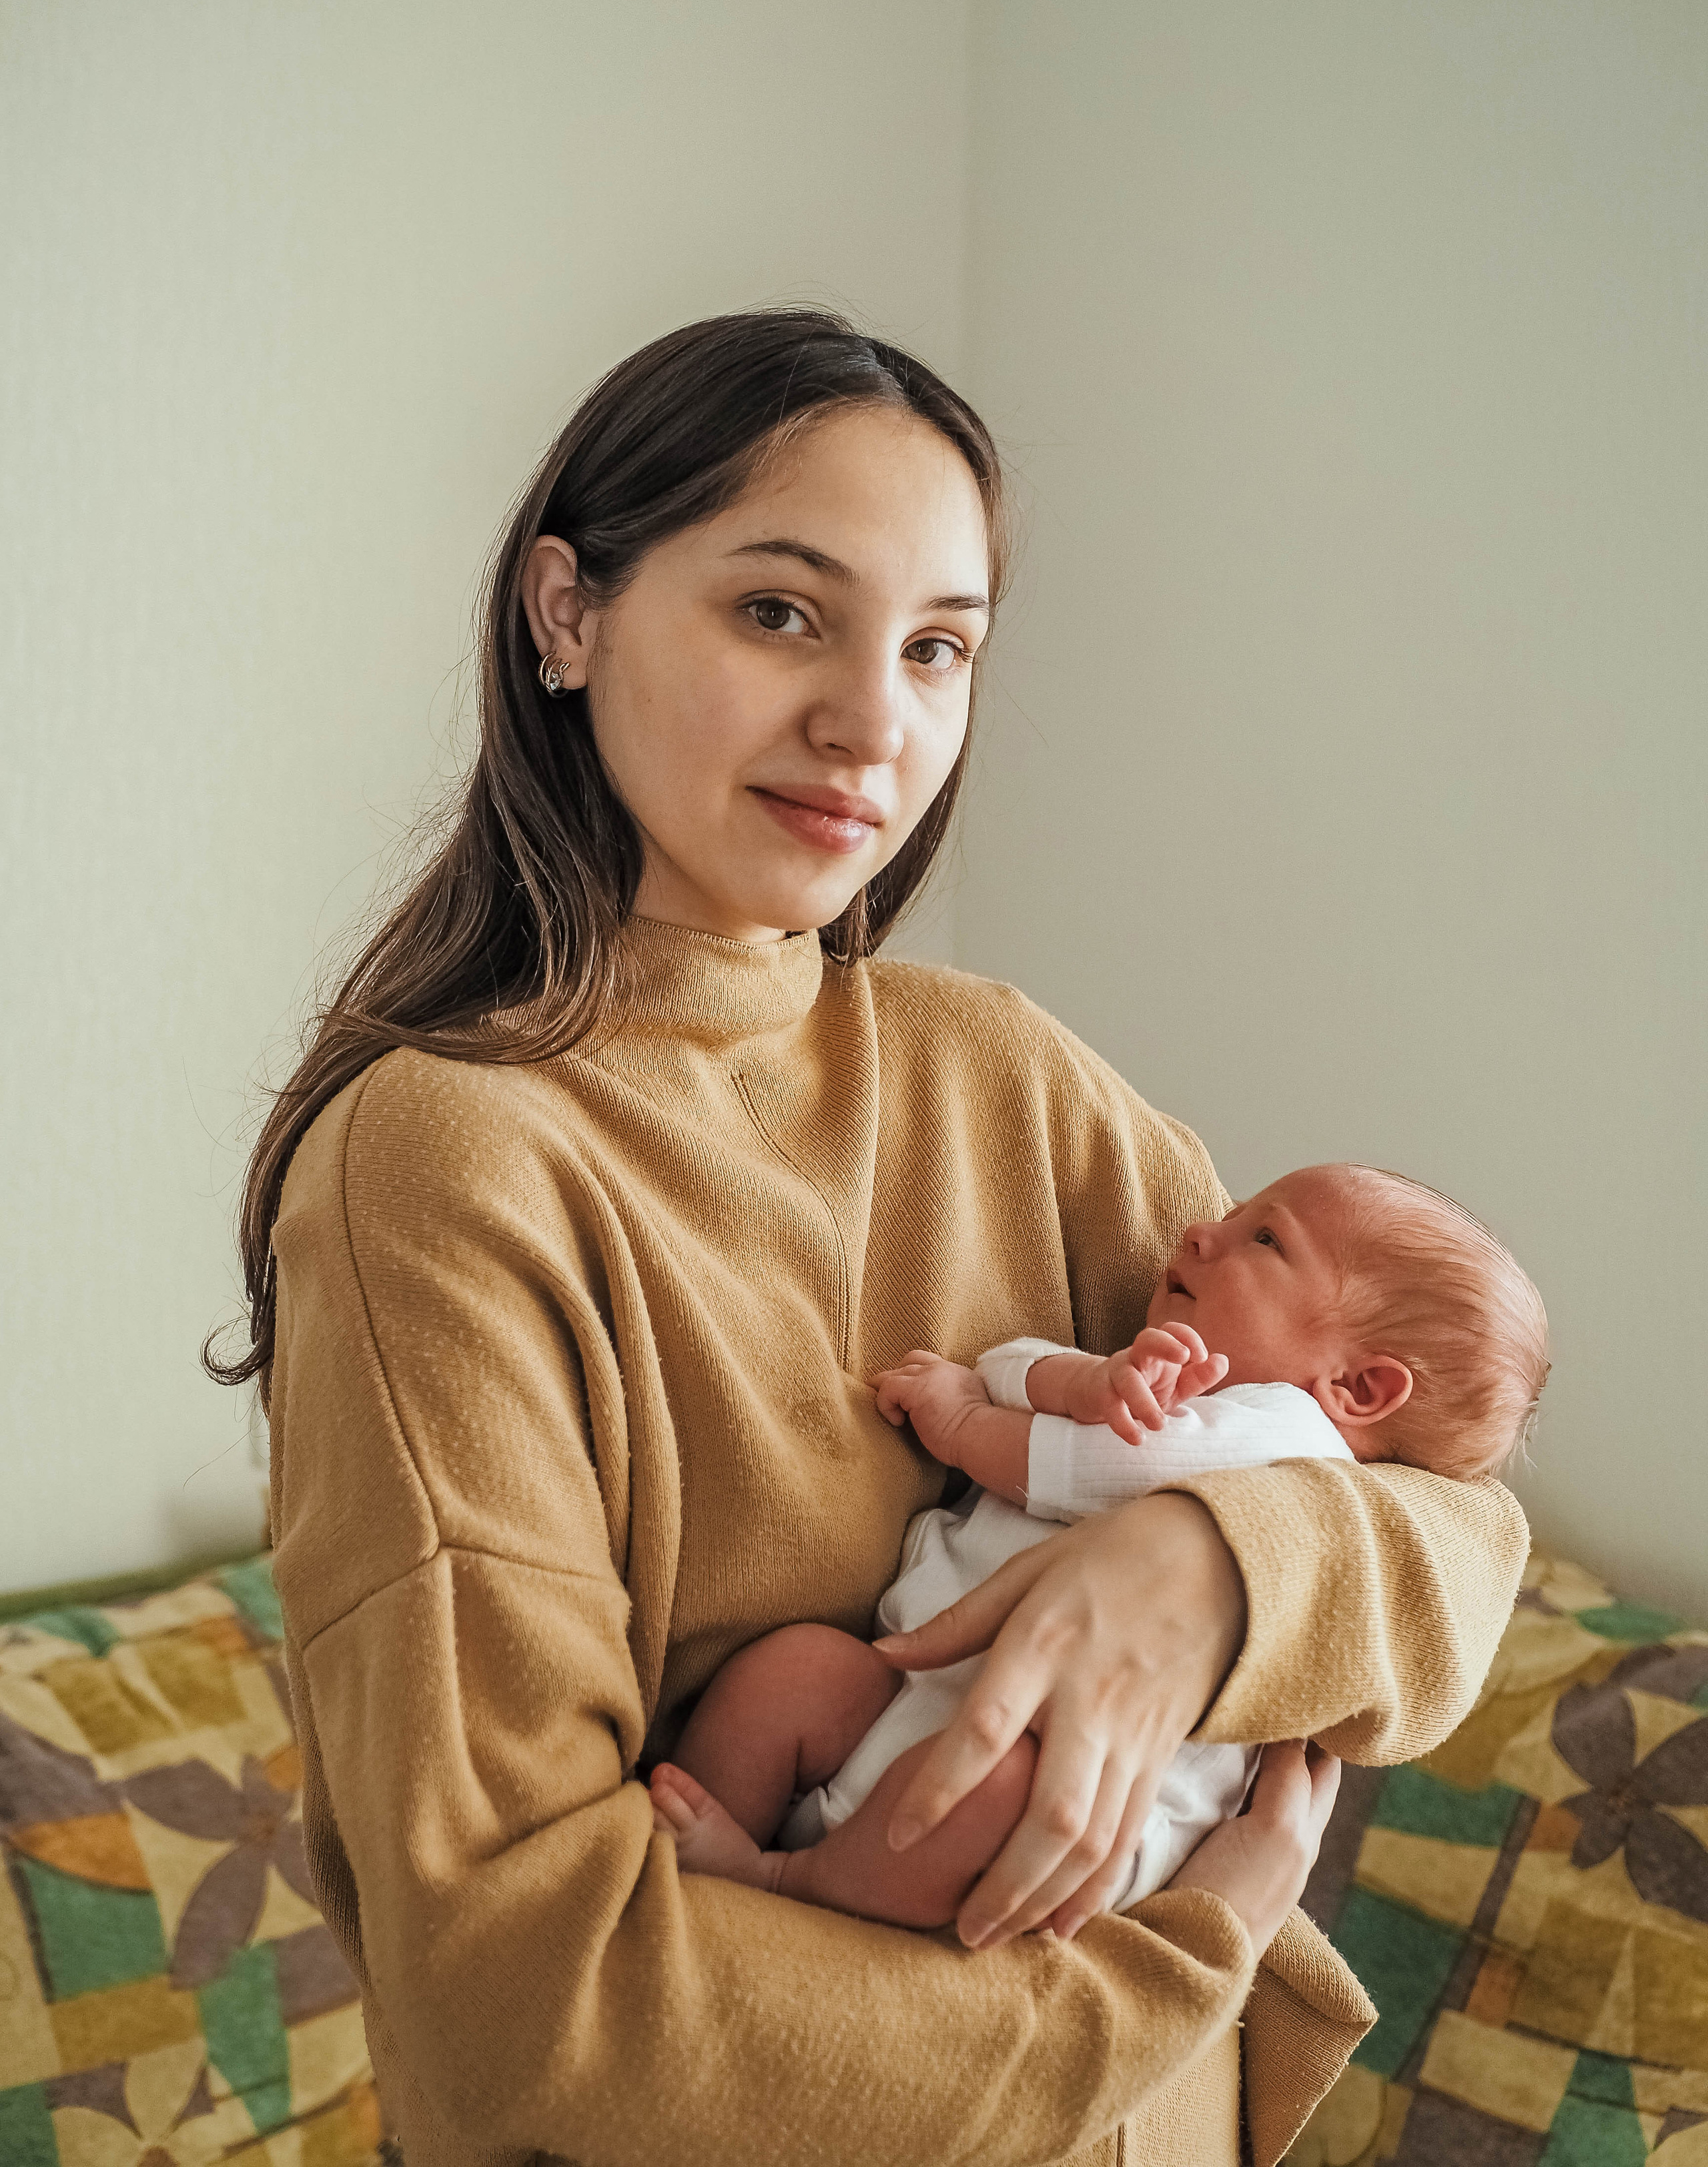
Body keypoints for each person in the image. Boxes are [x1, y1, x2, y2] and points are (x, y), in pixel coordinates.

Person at [213, 310, 1531, 2167]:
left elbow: (1457, 1520)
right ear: (565, 613)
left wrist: (1208, 1569)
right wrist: (1195, 1947)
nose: (873, 720)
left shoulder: (1006, 1073)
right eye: (779, 612)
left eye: (939, 649)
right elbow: (530, 1984)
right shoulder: (444, 1164)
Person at [649, 1162, 1549, 1935]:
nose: (1201, 1230)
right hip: (912, 1701)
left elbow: (1087, 1463)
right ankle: (689, 1832)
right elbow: (1016, 1363)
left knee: (995, 1787)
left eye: (1264, 1240)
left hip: (1054, 1806)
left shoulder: (1281, 1436)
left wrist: (964, 1421)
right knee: (797, 1671)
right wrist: (1087, 1378)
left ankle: (782, 1880)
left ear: (1355, 1386)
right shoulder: (1168, 1386)